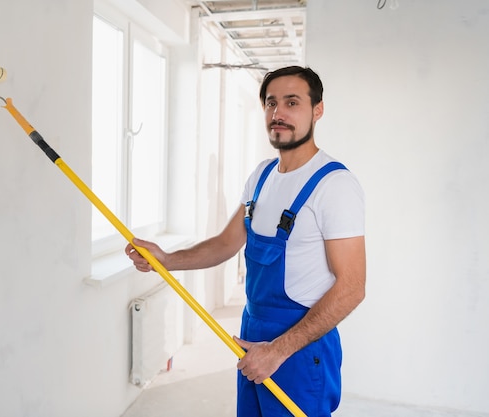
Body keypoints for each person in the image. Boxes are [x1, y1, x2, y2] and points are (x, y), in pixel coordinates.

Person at [125, 66, 366, 417]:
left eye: (292, 102)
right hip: (252, 336)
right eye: (271, 103)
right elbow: (227, 243)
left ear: (318, 110)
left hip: (298, 349)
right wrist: (167, 258)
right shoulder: (262, 175)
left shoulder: (335, 185)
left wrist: (278, 351)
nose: (278, 113)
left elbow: (352, 288)